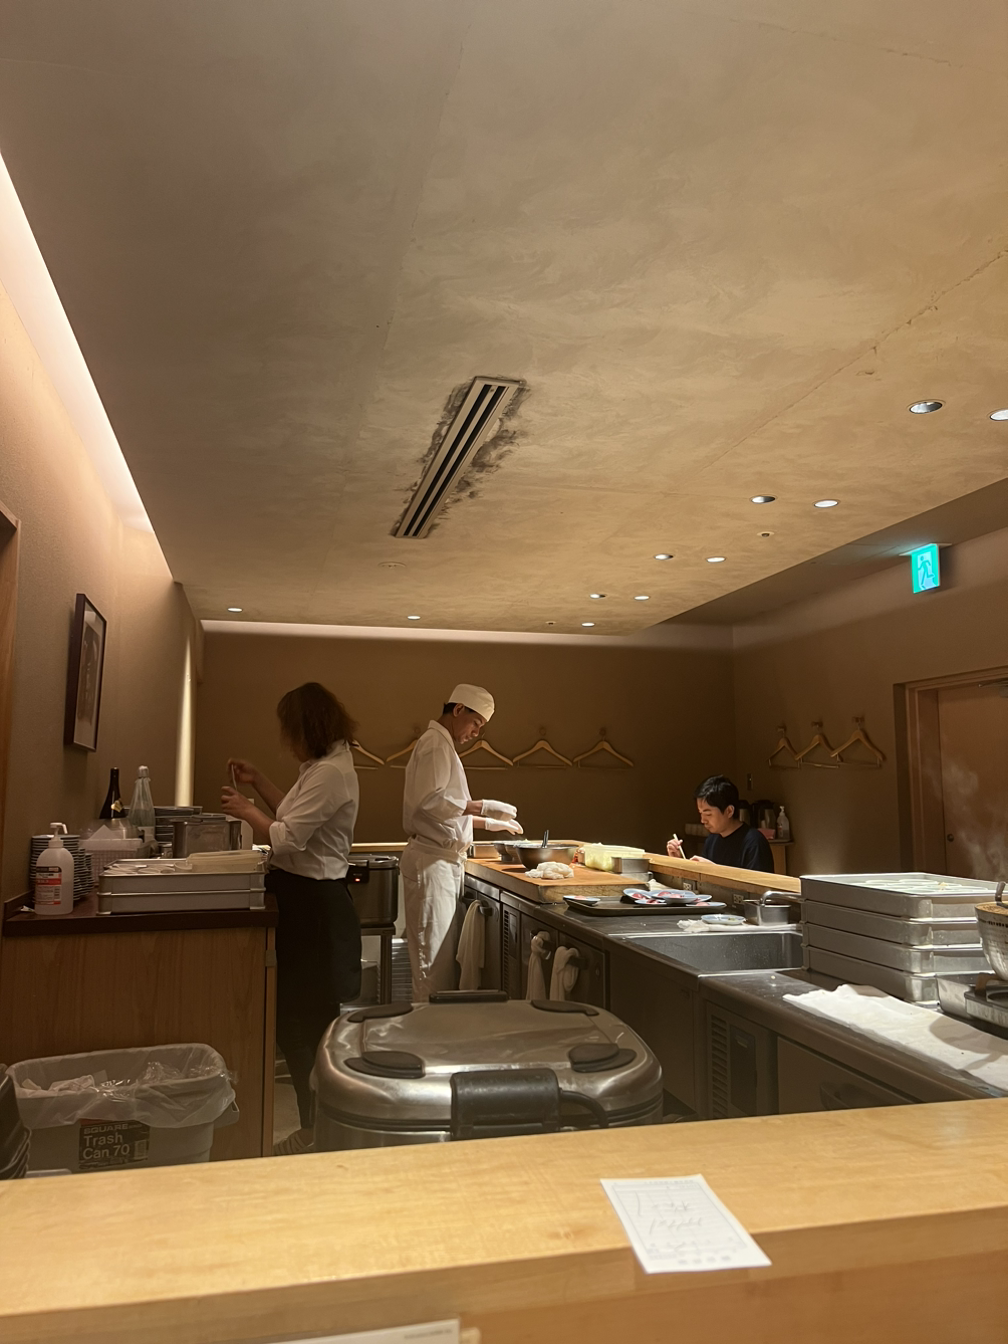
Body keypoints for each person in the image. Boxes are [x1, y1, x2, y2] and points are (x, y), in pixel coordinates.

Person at [222, 681, 361, 1156]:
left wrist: (245, 810)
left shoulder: (332, 773)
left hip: (314, 905)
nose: (287, 742)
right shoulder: (322, 768)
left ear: (307, 729)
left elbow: (285, 837)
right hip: (307, 900)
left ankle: (316, 1129)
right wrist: (259, 782)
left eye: (290, 732)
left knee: (304, 1025)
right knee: (301, 1022)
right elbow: (292, 816)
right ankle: (318, 1125)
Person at [401, 684, 523, 1000]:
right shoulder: (435, 744)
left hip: (440, 862)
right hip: (432, 863)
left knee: (438, 963)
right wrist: (481, 807)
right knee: (433, 968)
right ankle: (428, 1029)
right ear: (458, 710)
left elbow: (444, 812)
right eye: (475, 723)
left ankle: (434, 1026)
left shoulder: (442, 745)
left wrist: (488, 823)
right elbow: (430, 803)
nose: (476, 733)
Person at [667, 775, 774, 872]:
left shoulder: (754, 842)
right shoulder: (712, 839)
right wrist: (679, 862)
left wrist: (715, 870)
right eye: (701, 813)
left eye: (708, 814)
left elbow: (757, 885)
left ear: (729, 811)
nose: (703, 820)